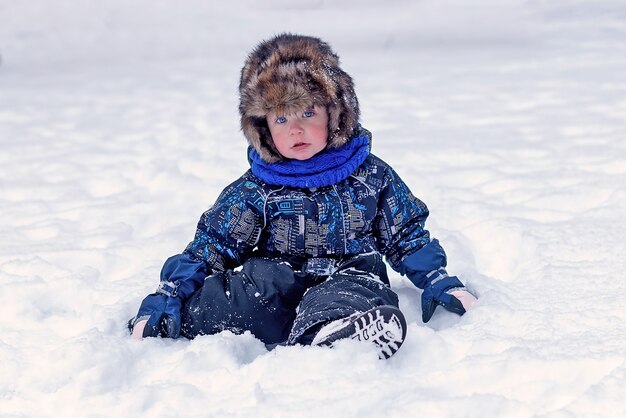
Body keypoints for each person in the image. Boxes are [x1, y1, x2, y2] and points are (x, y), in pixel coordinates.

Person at [128, 33, 477, 359]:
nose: (296, 129)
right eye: (281, 118)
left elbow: (405, 235)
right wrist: (171, 292)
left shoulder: (371, 176)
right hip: (276, 284)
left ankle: (337, 332)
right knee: (239, 297)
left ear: (336, 113)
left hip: (347, 272)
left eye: (308, 113)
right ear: (262, 128)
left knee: (355, 294)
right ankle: (173, 322)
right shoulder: (255, 188)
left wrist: (435, 277)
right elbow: (214, 243)